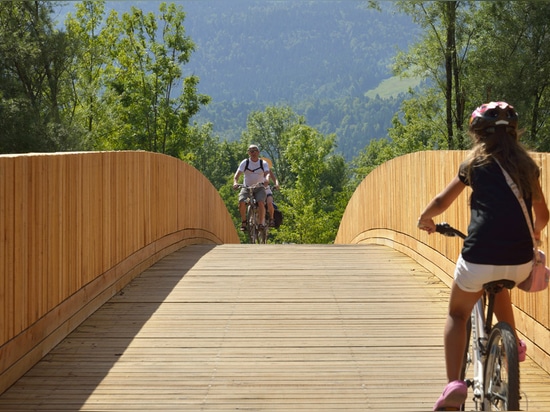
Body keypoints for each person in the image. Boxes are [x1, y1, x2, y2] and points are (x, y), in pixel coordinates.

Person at [417, 101, 549, 411]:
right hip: (520, 262)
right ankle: (511, 343)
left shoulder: (474, 165)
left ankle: (453, 385)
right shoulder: (528, 167)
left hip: (478, 257)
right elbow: (542, 214)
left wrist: (425, 218)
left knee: (457, 314)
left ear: (478, 135)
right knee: (500, 283)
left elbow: (441, 200)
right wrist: (536, 233)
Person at [233, 144, 269, 231]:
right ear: (248, 153)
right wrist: (235, 182)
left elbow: (267, 173)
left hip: (259, 187)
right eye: (251, 151)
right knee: (241, 202)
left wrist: (266, 180)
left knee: (260, 202)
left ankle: (261, 223)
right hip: (247, 187)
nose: (253, 153)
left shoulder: (262, 163)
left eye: (255, 150)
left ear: (258, 152)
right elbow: (237, 175)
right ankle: (244, 221)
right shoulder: (245, 163)